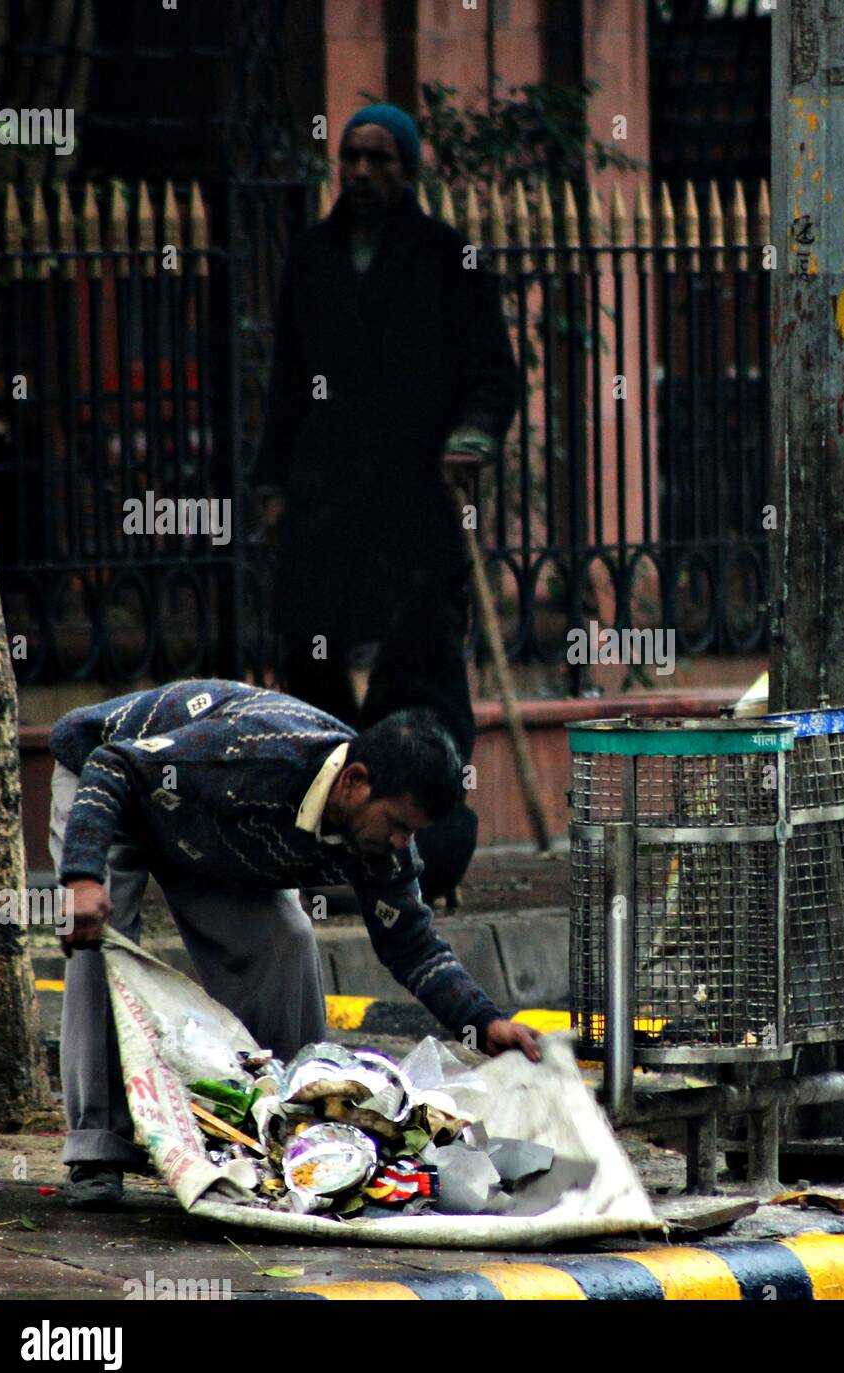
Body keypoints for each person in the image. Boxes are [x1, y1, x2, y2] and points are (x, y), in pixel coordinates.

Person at [50, 679, 540, 1210]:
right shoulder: (256, 752)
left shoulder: (383, 846)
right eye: (397, 825)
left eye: (410, 832)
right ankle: (98, 1151)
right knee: (102, 941)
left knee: (287, 940)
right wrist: (81, 877)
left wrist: (485, 1020)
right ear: (354, 781)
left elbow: (411, 943)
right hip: (112, 788)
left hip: (209, 834)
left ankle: (290, 1133)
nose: (400, 843)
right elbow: (113, 763)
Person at [253, 102, 518, 908]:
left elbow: (492, 375)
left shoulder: (447, 259)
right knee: (313, 677)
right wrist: (272, 484)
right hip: (326, 506)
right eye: (351, 158)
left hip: (415, 508)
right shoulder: (311, 260)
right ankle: (316, 854)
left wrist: (473, 436)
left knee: (423, 670)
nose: (362, 173)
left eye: (380, 160)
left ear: (407, 170)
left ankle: (427, 846)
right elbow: (287, 389)